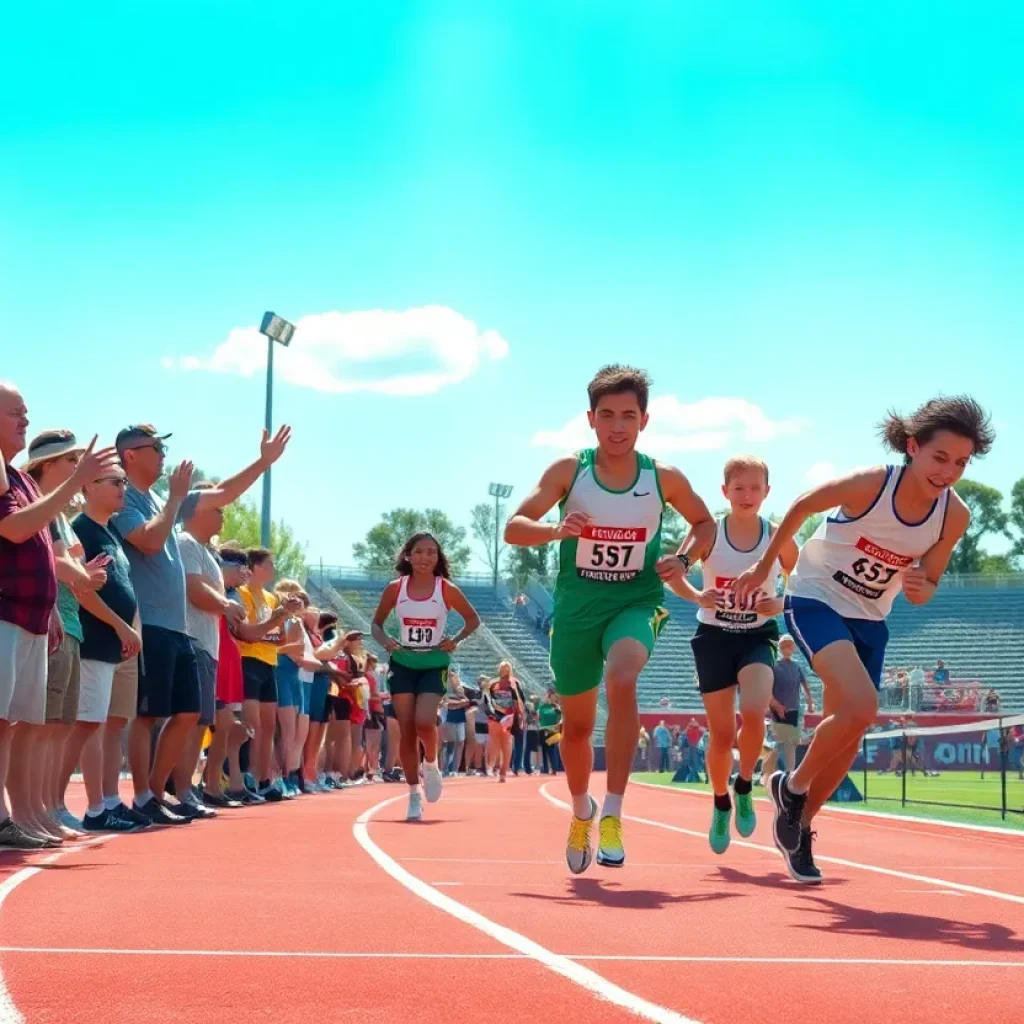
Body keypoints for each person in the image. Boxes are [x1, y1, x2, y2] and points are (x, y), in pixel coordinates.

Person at [734, 395, 992, 884]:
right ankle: (793, 787)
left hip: (870, 618)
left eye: (961, 463)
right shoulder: (872, 484)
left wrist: (920, 585)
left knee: (849, 736)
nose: (948, 472)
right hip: (816, 599)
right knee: (863, 707)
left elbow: (927, 585)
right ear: (913, 447)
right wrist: (763, 566)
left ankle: (798, 825)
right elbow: (802, 505)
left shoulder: (953, 516)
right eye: (939, 457)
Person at [505, 364, 711, 874]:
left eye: (628, 416)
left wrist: (684, 559)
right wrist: (557, 531)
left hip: (636, 601)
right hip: (577, 608)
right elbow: (515, 527)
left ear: (645, 420)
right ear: (591, 418)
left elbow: (705, 523)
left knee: (622, 677)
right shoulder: (568, 471)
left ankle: (615, 812)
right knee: (577, 729)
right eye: (607, 415)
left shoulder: (662, 477)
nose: (618, 426)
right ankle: (582, 811)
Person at [111, 422, 291, 824]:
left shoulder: (162, 498)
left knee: (190, 713)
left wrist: (262, 462)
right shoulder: (128, 499)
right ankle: (143, 796)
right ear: (131, 455)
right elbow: (149, 541)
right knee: (147, 715)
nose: (163, 455)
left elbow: (224, 492)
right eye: (156, 448)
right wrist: (175, 499)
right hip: (150, 622)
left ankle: (157, 792)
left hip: (179, 628)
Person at [0, 382, 119, 849]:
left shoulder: (22, 479)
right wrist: (75, 481)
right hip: (8, 610)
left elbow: (44, 551)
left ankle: (25, 815)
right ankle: (13, 816)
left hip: (33, 615)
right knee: (11, 724)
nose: (25, 420)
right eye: (16, 412)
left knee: (22, 725)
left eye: (26, 412)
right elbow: (13, 529)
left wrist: (50, 606)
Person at [671, 454, 799, 853]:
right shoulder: (710, 533)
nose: (746, 495)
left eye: (754, 488)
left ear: (767, 492)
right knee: (723, 734)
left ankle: (744, 785)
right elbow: (674, 573)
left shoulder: (778, 536)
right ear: (724, 491)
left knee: (756, 710)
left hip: (757, 636)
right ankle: (720, 802)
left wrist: (781, 603)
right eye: (738, 488)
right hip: (714, 637)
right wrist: (697, 595)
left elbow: (805, 582)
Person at [22, 430, 111, 841]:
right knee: (36, 726)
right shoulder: (39, 504)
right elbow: (54, 563)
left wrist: (83, 576)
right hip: (49, 622)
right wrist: (82, 579)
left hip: (69, 626)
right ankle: (30, 812)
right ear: (47, 465)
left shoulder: (56, 512)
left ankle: (44, 808)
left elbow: (63, 563)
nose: (78, 468)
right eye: (70, 461)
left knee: (57, 726)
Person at [371, 532, 481, 821]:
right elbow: (376, 625)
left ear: (438, 557)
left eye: (432, 552)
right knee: (407, 730)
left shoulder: (446, 589)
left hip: (434, 663)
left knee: (424, 721)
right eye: (419, 551)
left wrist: (455, 640)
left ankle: (431, 764)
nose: (425, 557)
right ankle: (412, 794)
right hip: (403, 662)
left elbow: (473, 619)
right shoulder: (396, 588)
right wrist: (386, 641)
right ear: (408, 556)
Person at [72, 465, 149, 832]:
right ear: (88, 486)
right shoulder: (80, 529)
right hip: (96, 641)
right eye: (116, 482)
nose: (123, 488)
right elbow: (81, 589)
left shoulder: (111, 533)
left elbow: (122, 587)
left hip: (121, 644)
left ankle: (111, 800)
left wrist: (133, 630)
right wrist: (120, 626)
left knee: (113, 723)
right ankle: (96, 808)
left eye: (125, 482)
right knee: (91, 722)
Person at [760, 635, 815, 781]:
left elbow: (805, 685)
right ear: (780, 648)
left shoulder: (797, 667)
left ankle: (782, 771)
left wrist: (810, 702)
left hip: (794, 708)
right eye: (784, 645)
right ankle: (780, 771)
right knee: (785, 742)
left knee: (791, 742)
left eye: (790, 645)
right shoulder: (775, 667)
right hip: (779, 709)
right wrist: (773, 704)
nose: (787, 648)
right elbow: (768, 688)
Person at [485, 661, 523, 782]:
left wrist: (519, 717)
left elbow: (520, 700)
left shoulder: (515, 683)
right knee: (494, 744)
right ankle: (491, 766)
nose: (505, 671)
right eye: (503, 668)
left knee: (506, 744)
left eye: (507, 669)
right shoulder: (493, 684)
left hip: (509, 718)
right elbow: (487, 701)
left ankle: (503, 772)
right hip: (495, 718)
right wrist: (492, 714)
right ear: (499, 670)